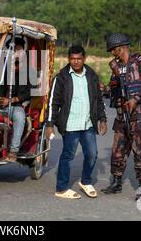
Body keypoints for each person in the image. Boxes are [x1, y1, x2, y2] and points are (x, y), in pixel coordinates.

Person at [45, 45, 107, 199]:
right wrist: (49, 124)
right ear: (69, 59)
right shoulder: (61, 78)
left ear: (84, 59)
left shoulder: (91, 75)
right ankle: (61, 188)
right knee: (68, 156)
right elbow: (53, 102)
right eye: (73, 59)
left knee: (92, 154)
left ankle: (86, 182)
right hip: (70, 124)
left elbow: (98, 100)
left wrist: (102, 119)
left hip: (88, 124)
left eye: (79, 59)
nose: (76, 62)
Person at [100, 33, 141, 201]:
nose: (112, 55)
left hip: (139, 116)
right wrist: (102, 88)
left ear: (120, 48)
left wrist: (135, 99)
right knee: (118, 150)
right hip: (122, 117)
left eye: (113, 51)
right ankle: (116, 183)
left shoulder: (139, 61)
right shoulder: (116, 67)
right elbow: (112, 90)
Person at [0, 37, 31, 162]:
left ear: (23, 52)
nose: (15, 53)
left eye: (18, 50)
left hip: (15, 106)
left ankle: (13, 151)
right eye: (12, 50)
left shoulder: (27, 71)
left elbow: (27, 94)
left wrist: (9, 101)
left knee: (20, 117)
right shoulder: (2, 68)